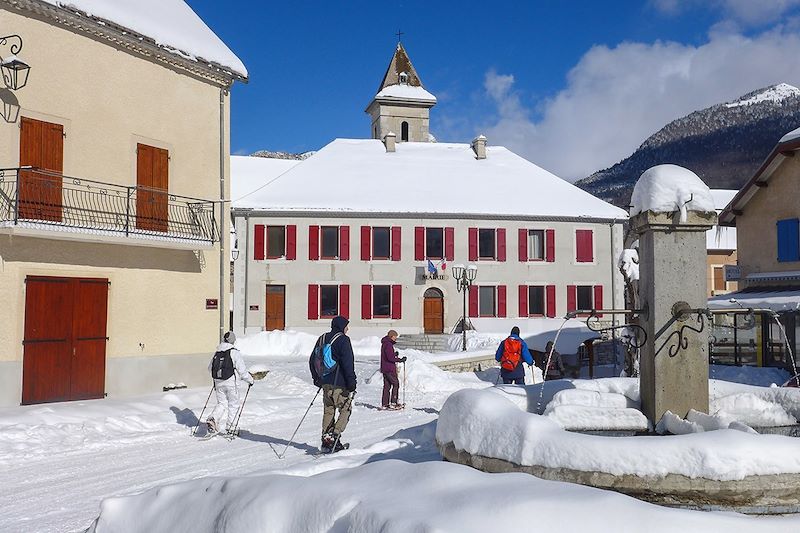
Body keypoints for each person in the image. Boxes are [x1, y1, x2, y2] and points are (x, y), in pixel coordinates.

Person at [308, 315, 357, 452]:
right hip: (340, 383)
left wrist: (317, 378)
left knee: (328, 411)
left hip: (325, 383)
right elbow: (348, 363)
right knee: (345, 409)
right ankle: (335, 436)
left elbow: (312, 359)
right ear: (342, 326)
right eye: (347, 325)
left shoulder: (322, 338)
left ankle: (326, 439)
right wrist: (351, 382)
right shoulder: (343, 340)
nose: (348, 328)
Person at [207, 331, 254, 436]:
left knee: (222, 404)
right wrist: (250, 380)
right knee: (233, 405)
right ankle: (231, 428)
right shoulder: (234, 352)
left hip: (218, 383)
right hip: (232, 384)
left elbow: (210, 368)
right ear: (233, 340)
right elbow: (242, 371)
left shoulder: (217, 352)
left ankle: (213, 418)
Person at [380, 330, 407, 410]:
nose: (396, 338)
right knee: (396, 384)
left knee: (387, 386)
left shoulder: (385, 343)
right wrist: (400, 360)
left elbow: (387, 355)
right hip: (389, 369)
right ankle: (393, 403)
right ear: (391, 336)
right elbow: (390, 358)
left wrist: (394, 354)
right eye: (395, 336)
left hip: (385, 368)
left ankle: (385, 404)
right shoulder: (388, 344)